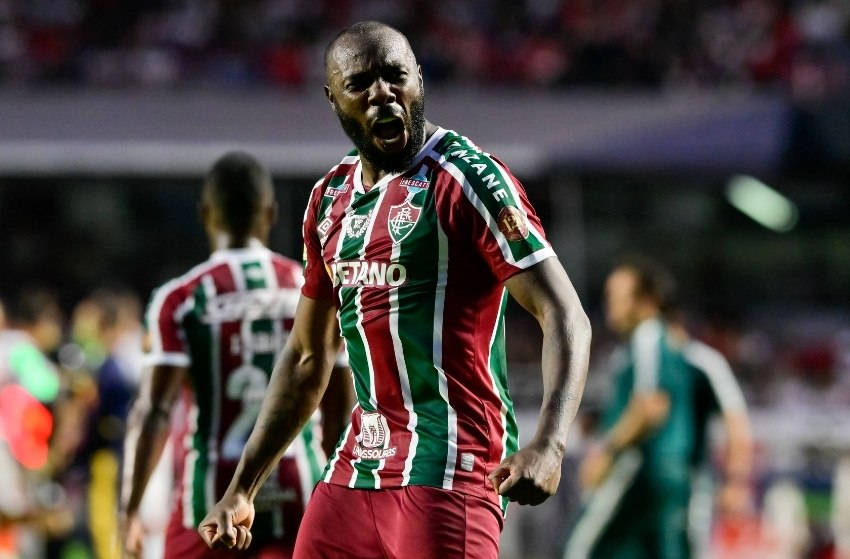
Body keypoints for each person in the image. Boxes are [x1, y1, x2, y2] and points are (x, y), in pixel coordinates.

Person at [198, 20, 592, 559]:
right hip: (357, 471)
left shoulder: (467, 178)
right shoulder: (329, 198)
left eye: (394, 75)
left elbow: (564, 313)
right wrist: (243, 487)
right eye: (360, 83)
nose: (382, 92)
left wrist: (549, 443)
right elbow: (310, 355)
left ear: (419, 79)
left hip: (449, 467)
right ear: (334, 99)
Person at [120, 151, 352, 559]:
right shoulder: (313, 290)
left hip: (209, 501)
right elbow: (340, 410)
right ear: (271, 213)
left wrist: (131, 507)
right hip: (299, 496)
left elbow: (154, 411)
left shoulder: (181, 299)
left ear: (206, 213)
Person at [564, 256, 753, 559]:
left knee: (581, 549)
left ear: (648, 303)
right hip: (670, 477)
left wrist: (606, 451)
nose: (608, 304)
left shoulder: (657, 341)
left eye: (616, 296)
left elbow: (652, 405)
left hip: (648, 469)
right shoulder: (630, 354)